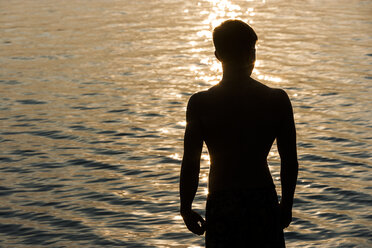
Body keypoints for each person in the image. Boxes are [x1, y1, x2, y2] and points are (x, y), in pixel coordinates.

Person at [179, 20, 298, 247]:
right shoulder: (276, 100)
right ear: (251, 54)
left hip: (222, 202)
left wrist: (186, 208)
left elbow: (191, 163)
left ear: (217, 55)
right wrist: (287, 204)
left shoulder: (201, 103)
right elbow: (289, 160)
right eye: (252, 50)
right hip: (262, 200)